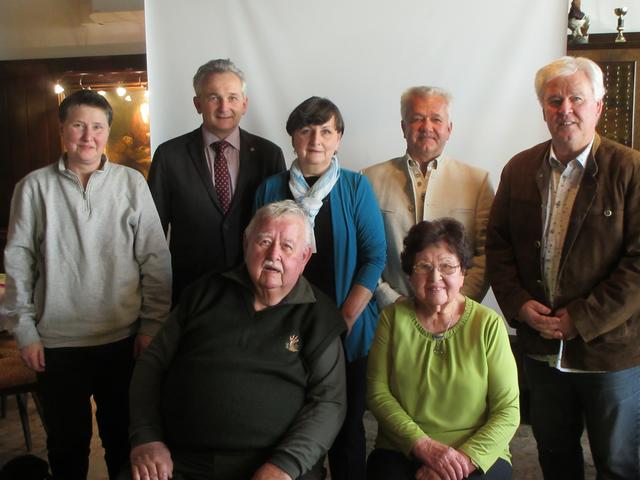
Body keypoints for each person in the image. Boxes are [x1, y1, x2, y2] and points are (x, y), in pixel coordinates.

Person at [3, 89, 172, 480]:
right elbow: (18, 263)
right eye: (78, 125)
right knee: (67, 447)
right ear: (62, 130)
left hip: (123, 340)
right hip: (57, 344)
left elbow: (155, 260)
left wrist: (151, 325)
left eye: (97, 127)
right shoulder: (33, 188)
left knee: (123, 444)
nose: (87, 136)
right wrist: (24, 331)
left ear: (107, 132)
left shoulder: (131, 184)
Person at [487, 56, 640, 479]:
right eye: (554, 100)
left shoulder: (630, 170)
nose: (565, 109)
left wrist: (583, 318)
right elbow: (497, 247)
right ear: (543, 108)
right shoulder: (519, 169)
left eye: (576, 98)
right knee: (554, 455)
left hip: (610, 351)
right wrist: (518, 305)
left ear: (598, 105)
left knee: (619, 462)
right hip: (540, 348)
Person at [127, 200, 347, 480]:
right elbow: (151, 365)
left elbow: (329, 403)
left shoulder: (320, 316)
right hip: (181, 461)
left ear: (304, 257)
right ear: (246, 244)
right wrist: (146, 438)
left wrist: (285, 466)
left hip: (275, 465)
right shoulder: (203, 294)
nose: (273, 254)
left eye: (287, 247)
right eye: (264, 241)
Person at [254, 97, 386, 480]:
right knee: (291, 427)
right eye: (306, 129)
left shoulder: (356, 187)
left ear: (339, 139)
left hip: (349, 327)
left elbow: (374, 256)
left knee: (347, 430)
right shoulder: (270, 189)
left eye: (326, 130)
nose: (316, 139)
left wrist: (343, 320)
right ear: (293, 138)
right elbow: (259, 257)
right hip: (286, 328)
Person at [367, 218, 519, 480]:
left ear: (463, 273)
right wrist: (424, 447)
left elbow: (508, 410)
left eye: (447, 266)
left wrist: (460, 461)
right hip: (404, 447)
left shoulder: (488, 324)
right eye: (424, 266)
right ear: (410, 273)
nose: (435, 278)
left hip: (476, 452)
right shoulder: (391, 319)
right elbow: (378, 394)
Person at [148, 58, 286, 304]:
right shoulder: (169, 156)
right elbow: (152, 233)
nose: (224, 106)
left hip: (254, 293)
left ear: (245, 104)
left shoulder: (269, 155)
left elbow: (280, 228)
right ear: (197, 103)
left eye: (233, 97)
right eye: (214, 97)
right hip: (190, 294)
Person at [364, 86, 494, 309]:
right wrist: (389, 300)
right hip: (389, 315)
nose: (427, 127)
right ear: (404, 128)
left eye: (436, 119)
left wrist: (457, 304)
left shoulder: (477, 182)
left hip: (458, 319)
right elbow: (364, 250)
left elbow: (487, 253)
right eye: (417, 119)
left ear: (449, 129)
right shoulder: (369, 180)